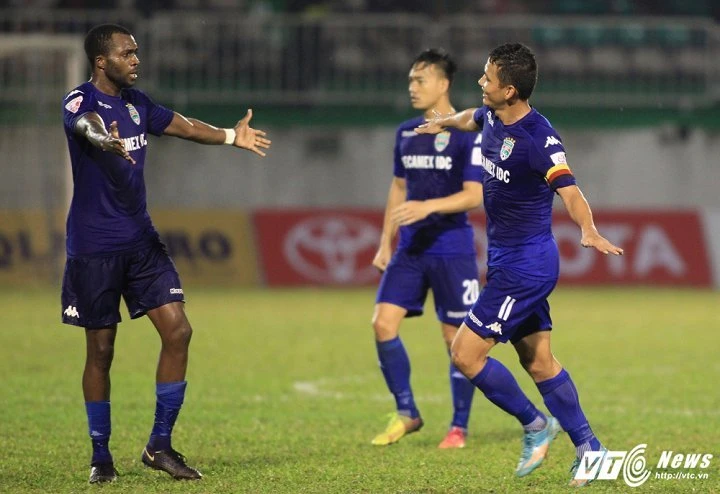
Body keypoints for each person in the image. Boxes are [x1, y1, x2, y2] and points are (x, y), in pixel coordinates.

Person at [61, 24, 271, 484]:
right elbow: (85, 124)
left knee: (178, 331)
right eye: (127, 53)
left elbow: (185, 127)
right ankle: (101, 455)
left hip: (142, 242)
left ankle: (159, 445)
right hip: (94, 246)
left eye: (137, 52)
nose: (136, 59)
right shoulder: (80, 100)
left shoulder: (138, 104)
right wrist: (103, 139)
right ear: (102, 61)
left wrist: (231, 137)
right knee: (101, 350)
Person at [414, 42, 623, 486]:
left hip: (526, 268)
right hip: (506, 261)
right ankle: (592, 449)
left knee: (465, 354)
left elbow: (569, 190)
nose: (480, 82)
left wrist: (588, 228)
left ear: (509, 90)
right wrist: (443, 122)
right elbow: (471, 117)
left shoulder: (538, 139)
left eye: (487, 78)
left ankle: (535, 424)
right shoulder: (492, 115)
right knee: (539, 361)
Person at [370, 48, 483, 449]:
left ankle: (458, 427)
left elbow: (474, 195)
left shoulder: (468, 132)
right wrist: (385, 242)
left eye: (420, 80)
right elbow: (398, 188)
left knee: (457, 341)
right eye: (410, 81)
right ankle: (407, 411)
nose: (412, 87)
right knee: (382, 324)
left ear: (443, 84)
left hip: (452, 250)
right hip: (411, 249)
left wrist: (428, 206)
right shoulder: (406, 132)